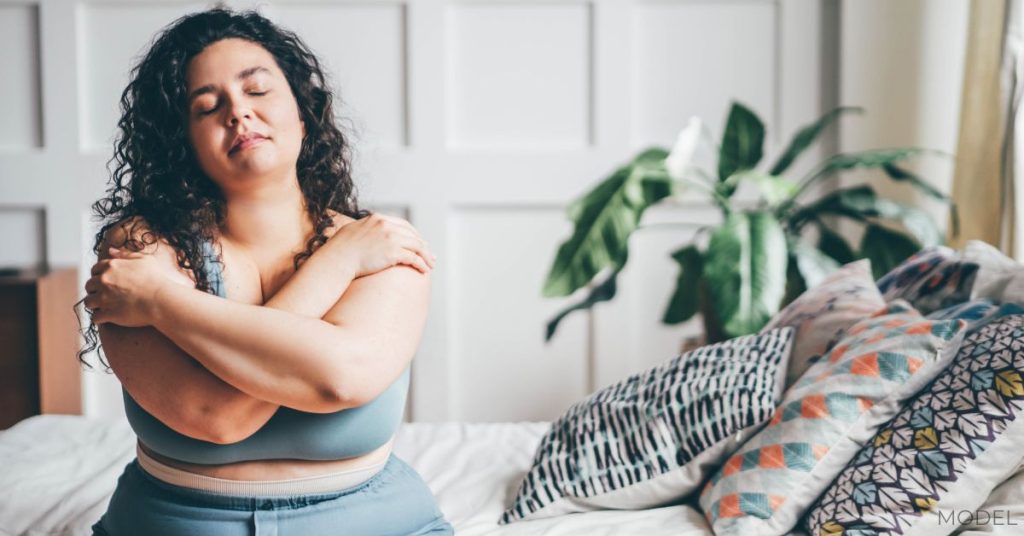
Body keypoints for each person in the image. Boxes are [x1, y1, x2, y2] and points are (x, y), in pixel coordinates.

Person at [78, 8, 453, 535]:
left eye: (257, 91)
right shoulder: (140, 249)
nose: (238, 113)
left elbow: (338, 378)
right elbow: (216, 416)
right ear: (182, 144)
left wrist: (164, 303)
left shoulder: (379, 246)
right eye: (208, 107)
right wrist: (336, 265)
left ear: (303, 115)